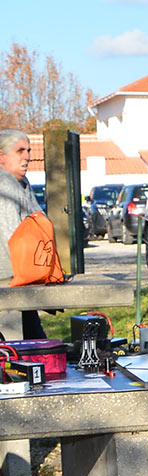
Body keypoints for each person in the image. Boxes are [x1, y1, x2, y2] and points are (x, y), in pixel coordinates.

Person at [0, 128, 47, 339]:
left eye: (28, 150)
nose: (27, 156)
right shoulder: (4, 183)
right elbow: (12, 236)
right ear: (1, 156)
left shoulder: (21, 183)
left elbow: (39, 223)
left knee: (34, 341)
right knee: (17, 346)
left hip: (20, 278)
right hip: (8, 280)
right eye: (20, 151)